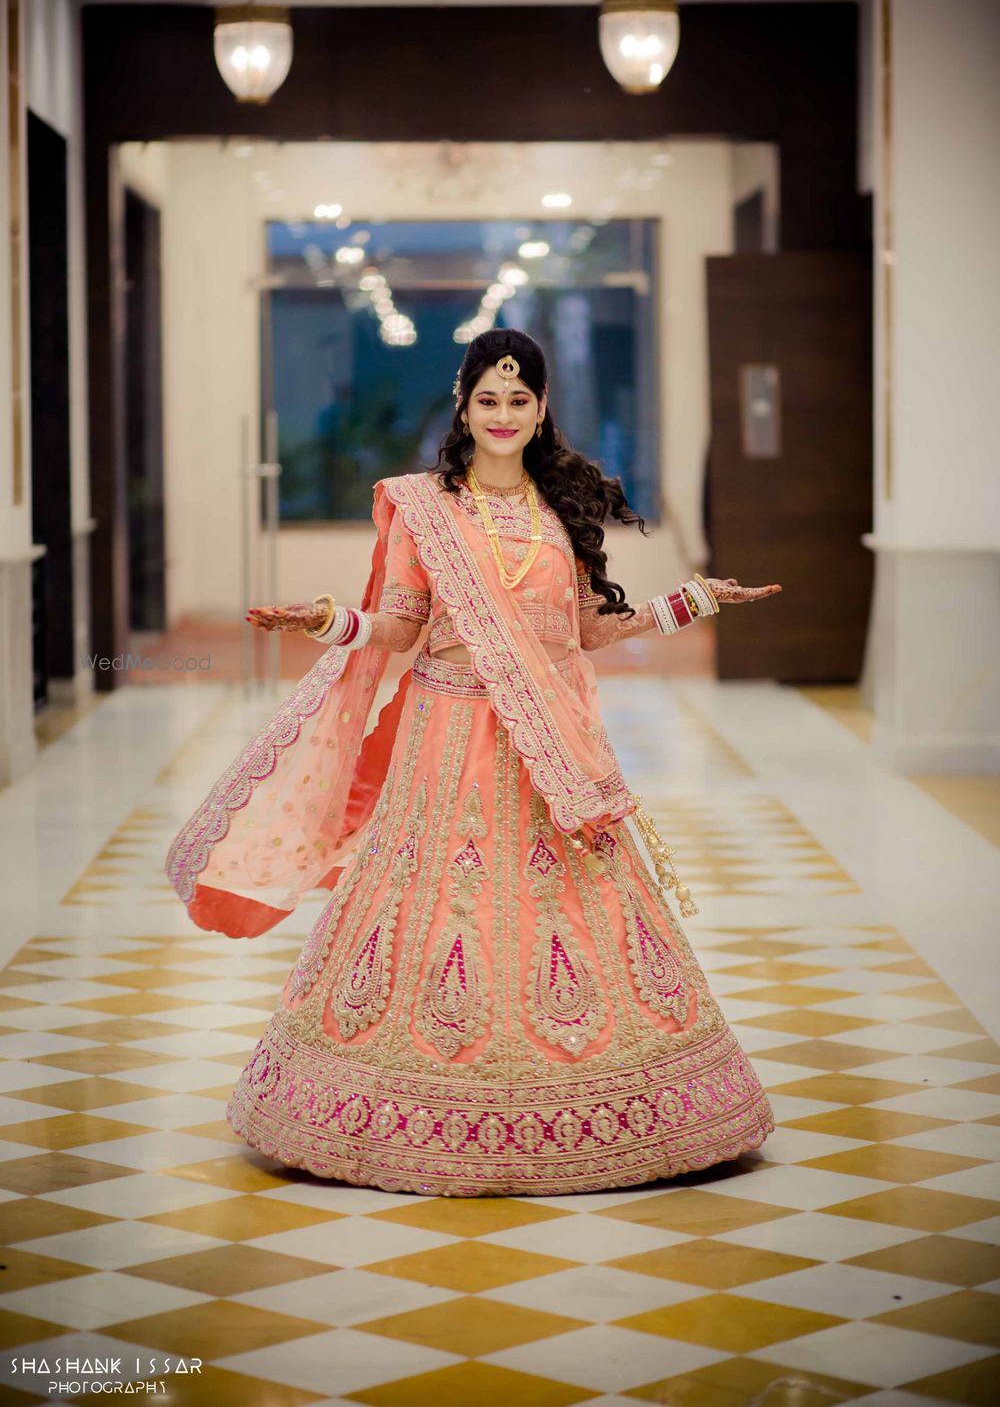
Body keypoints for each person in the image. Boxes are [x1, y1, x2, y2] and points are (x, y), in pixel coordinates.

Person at [165, 327, 782, 1198]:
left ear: (540, 410)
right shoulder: (426, 507)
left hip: (549, 756)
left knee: (566, 909)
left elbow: (582, 633)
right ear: (464, 404)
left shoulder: (559, 510)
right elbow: (402, 624)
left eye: (518, 399)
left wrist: (688, 603)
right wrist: (330, 623)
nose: (502, 414)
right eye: (486, 399)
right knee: (435, 907)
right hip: (446, 745)